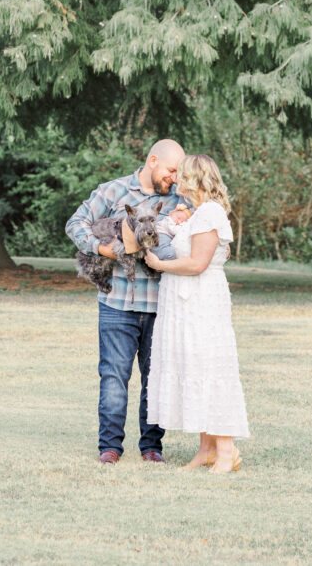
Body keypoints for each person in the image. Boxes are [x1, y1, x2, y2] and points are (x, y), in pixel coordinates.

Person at [66, 139, 189, 464]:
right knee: (113, 376)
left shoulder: (181, 199)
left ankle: (152, 447)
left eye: (179, 173)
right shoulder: (112, 191)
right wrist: (101, 248)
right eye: (171, 170)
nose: (175, 178)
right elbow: (75, 224)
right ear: (152, 161)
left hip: (163, 306)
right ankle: (110, 448)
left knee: (156, 378)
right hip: (117, 304)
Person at [144, 154, 250, 473]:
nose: (175, 179)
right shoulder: (197, 214)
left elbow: (197, 263)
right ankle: (207, 450)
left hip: (202, 303)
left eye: (182, 175)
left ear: (194, 178)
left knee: (210, 369)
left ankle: (227, 450)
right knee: (194, 369)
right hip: (185, 305)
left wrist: (160, 265)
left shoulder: (210, 213)